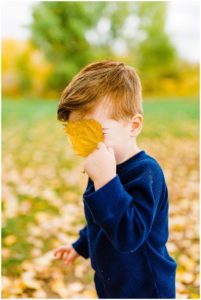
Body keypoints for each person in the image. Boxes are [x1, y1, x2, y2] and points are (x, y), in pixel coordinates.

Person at [53, 60, 177, 298]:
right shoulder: (106, 167)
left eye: (94, 132)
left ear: (134, 125)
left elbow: (129, 235)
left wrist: (107, 182)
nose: (86, 144)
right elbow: (101, 220)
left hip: (146, 288)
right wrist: (80, 245)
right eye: (78, 135)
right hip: (113, 284)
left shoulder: (146, 173)